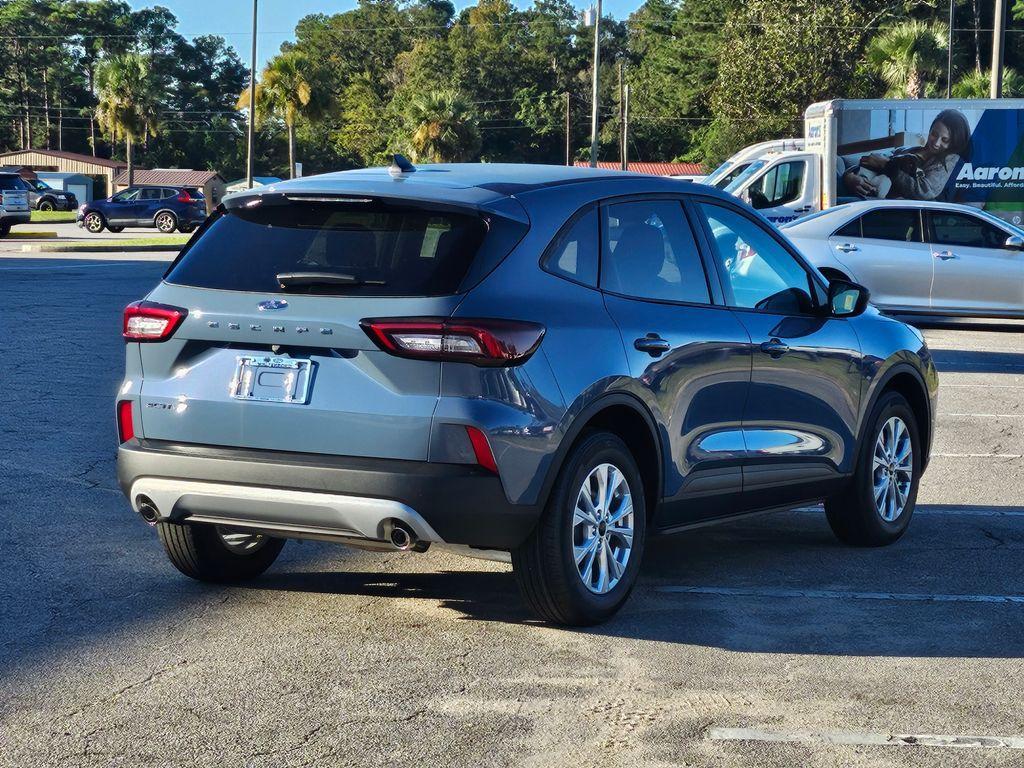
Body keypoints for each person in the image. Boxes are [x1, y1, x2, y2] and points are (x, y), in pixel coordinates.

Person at [841, 109, 971, 201]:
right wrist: (849, 177)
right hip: (866, 192)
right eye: (934, 134)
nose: (936, 143)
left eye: (945, 140)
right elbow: (870, 160)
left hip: (892, 208)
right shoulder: (909, 149)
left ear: (954, 143)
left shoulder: (951, 160)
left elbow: (923, 191)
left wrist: (887, 165)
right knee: (837, 165)